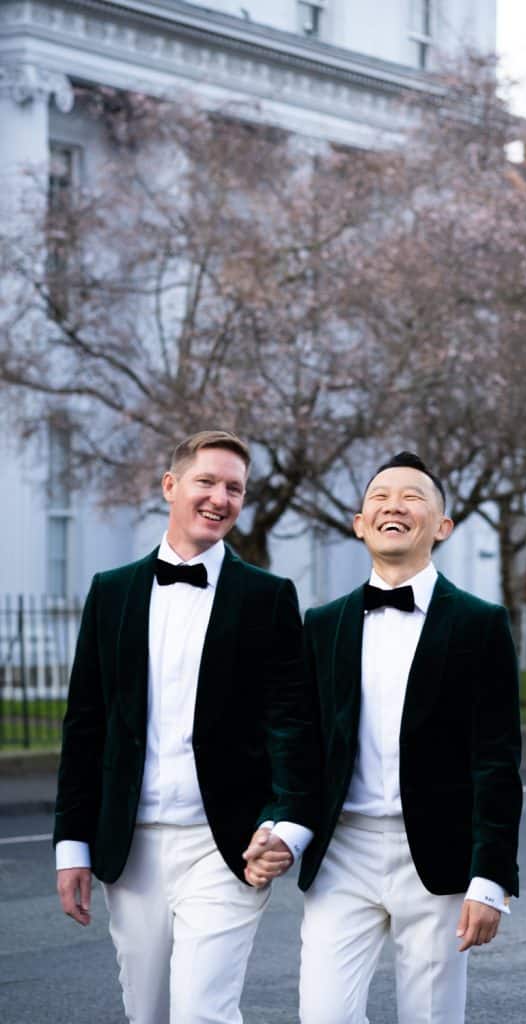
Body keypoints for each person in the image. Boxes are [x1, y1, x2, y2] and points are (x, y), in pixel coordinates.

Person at [54, 429, 319, 1024]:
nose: (220, 498)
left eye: (235, 489)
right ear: (171, 486)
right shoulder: (111, 592)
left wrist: (283, 821)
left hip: (224, 845)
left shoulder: (268, 597)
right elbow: (85, 726)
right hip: (132, 844)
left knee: (203, 1011)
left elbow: (291, 725)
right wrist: (71, 845)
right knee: (145, 1012)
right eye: (207, 482)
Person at [296, 451, 522, 1024]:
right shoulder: (323, 624)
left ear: (442, 527)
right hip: (342, 852)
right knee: (324, 1015)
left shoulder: (479, 624)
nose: (394, 505)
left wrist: (491, 877)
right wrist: (281, 826)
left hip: (438, 857)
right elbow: (299, 744)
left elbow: (497, 760)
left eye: (413, 497)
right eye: (379, 496)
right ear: (359, 523)